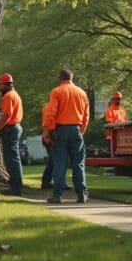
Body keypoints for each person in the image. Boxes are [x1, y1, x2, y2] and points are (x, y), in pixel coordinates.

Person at [43, 69, 90, 204]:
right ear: (72, 78)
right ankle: (81, 194)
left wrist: (47, 129)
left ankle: (58, 195)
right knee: (78, 163)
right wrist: (82, 130)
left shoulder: (57, 91)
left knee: (60, 163)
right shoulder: (82, 93)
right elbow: (86, 115)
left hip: (60, 130)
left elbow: (51, 112)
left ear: (60, 78)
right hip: (77, 129)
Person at [0, 73, 24, 196]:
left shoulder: (8, 96)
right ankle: (15, 184)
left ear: (5, 85)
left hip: (10, 129)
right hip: (15, 127)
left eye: (0, 85)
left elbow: (6, 115)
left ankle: (16, 188)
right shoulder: (15, 95)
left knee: (12, 160)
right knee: (13, 159)